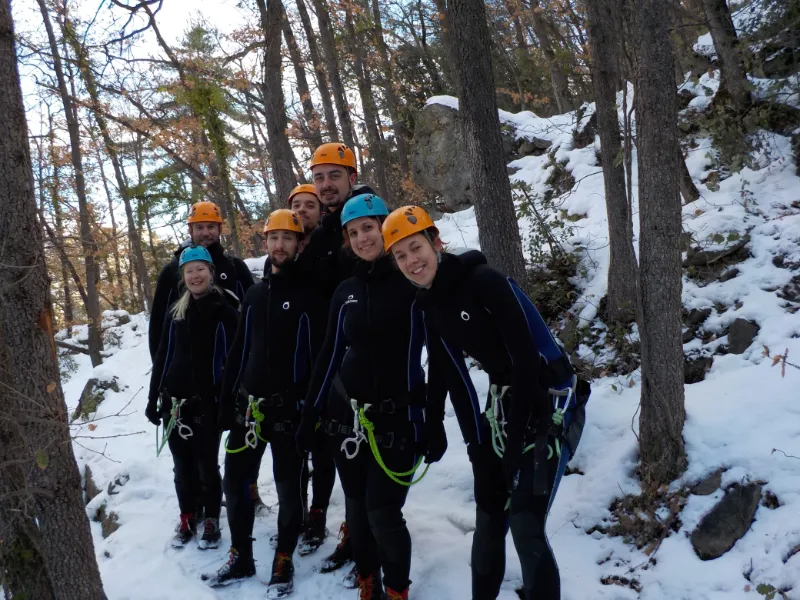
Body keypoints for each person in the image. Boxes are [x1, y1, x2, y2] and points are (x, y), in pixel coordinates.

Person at [383, 206, 590, 600]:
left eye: (416, 248)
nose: (411, 261)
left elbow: (527, 360)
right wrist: (471, 445)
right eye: (400, 255)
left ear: (436, 242)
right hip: (506, 403)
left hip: (551, 399)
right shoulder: (428, 306)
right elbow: (448, 377)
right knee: (490, 514)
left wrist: (512, 447)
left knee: (525, 520)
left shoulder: (484, 281)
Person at [296, 194, 445, 600]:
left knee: (382, 512)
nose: (362, 238)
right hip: (347, 422)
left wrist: (434, 422)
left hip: (399, 422)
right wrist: (310, 415)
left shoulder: (413, 281)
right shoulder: (346, 291)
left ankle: (397, 591)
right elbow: (329, 356)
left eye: (369, 227)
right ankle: (368, 586)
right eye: (353, 232)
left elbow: (442, 359)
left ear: (385, 227)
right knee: (358, 512)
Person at [203, 210, 325, 597]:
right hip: (248, 409)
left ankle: (283, 558)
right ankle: (242, 556)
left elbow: (321, 357)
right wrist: (226, 404)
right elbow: (239, 352)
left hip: (289, 412)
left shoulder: (311, 296)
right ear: (265, 243)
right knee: (235, 483)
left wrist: (311, 409)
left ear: (300, 244)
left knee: (291, 489)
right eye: (273, 238)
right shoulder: (254, 295)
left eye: (288, 238)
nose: (279, 245)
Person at [297, 143, 376, 577]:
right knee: (342, 455)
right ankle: (355, 535)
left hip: (363, 361)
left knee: (364, 460)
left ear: (351, 175)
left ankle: (364, 542)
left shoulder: (364, 222)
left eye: (334, 175)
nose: (326, 184)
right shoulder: (323, 232)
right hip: (326, 361)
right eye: (319, 177)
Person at [145, 245, 239, 550]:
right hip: (174, 405)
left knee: (206, 466)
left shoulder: (224, 311)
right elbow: (163, 355)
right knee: (181, 469)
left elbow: (233, 362)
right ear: (182, 277)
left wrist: (226, 404)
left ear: (211, 272)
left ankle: (211, 517)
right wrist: (152, 397)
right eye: (189, 270)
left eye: (201, 269)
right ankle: (187, 515)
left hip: (206, 406)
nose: (195, 275)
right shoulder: (176, 313)